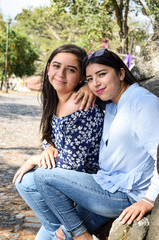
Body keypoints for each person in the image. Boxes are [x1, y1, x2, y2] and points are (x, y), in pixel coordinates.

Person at [34, 49, 159, 240]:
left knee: (42, 176)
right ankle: (70, 231)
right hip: (105, 184)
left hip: (125, 194)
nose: (96, 83)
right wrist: (87, 86)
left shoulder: (142, 102)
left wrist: (148, 200)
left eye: (102, 74)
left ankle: (80, 235)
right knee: (54, 236)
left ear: (121, 73)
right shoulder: (110, 101)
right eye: (90, 78)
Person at [13, 44, 104, 240]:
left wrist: (35, 159)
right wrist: (49, 148)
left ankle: (62, 230)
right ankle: (60, 228)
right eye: (56, 66)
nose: (61, 73)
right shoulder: (56, 98)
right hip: (69, 179)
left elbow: (72, 164)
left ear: (81, 77)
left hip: (91, 185)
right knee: (24, 181)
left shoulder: (81, 105)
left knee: (31, 178)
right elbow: (53, 137)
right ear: (48, 70)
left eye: (71, 69)